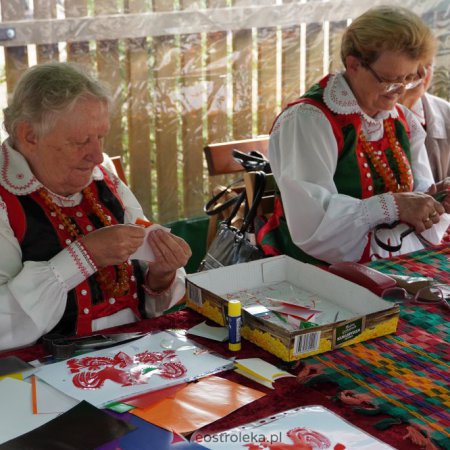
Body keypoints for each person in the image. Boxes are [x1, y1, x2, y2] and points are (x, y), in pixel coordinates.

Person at [0, 62, 191, 351]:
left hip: (134, 359)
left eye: (100, 137)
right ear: (29, 136)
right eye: (80, 141)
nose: (98, 155)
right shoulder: (6, 200)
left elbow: (145, 297)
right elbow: (5, 327)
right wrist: (83, 256)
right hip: (41, 380)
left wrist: (161, 274)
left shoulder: (104, 182)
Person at [267, 6, 450, 265]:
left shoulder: (401, 119)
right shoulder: (309, 121)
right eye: (388, 80)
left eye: (408, 79)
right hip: (321, 274)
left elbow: (418, 192)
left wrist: (433, 199)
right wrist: (394, 205)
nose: (398, 92)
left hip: (397, 261)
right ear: (353, 64)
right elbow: (312, 225)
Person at [400, 61, 450, 182]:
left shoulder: (446, 112)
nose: (423, 73)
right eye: (415, 63)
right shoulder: (368, 115)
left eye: (429, 65)